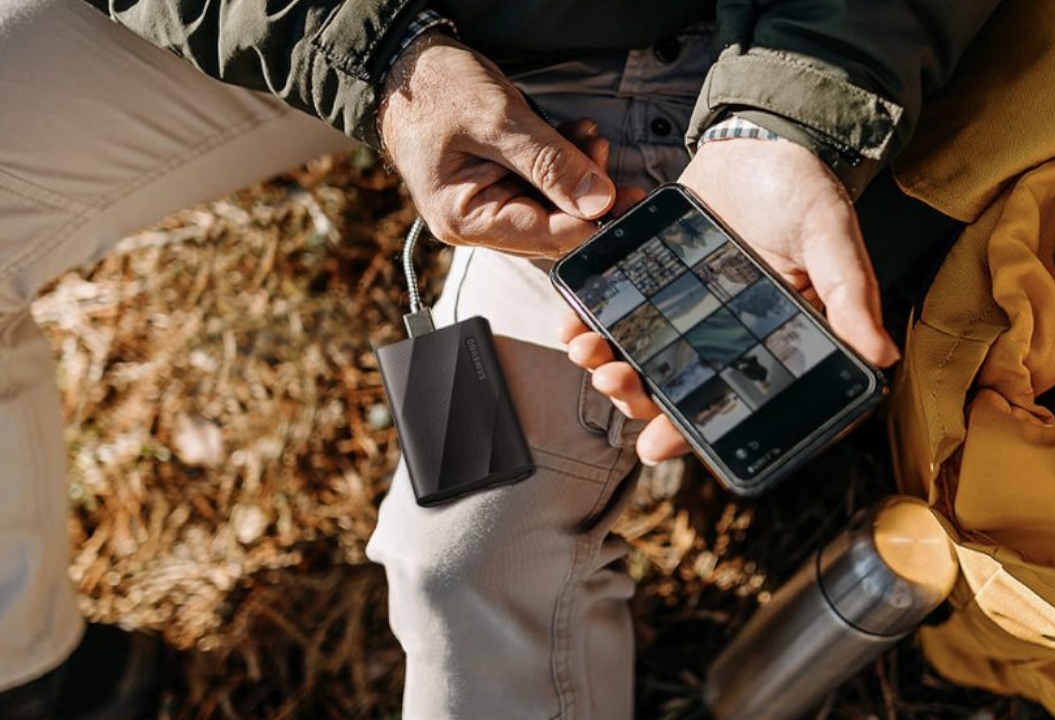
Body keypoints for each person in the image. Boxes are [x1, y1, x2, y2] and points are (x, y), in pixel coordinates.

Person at [0, 1, 998, 718]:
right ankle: (31, 669)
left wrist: (784, 117)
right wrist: (385, 57)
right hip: (339, 25)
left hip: (709, 61)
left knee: (466, 557)